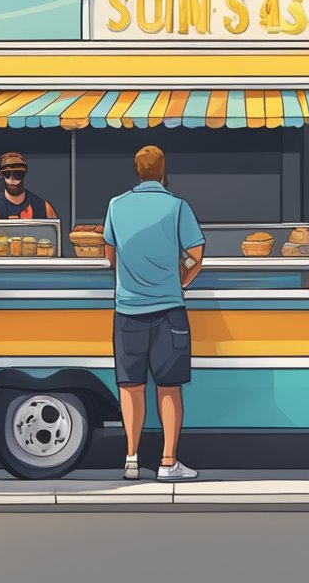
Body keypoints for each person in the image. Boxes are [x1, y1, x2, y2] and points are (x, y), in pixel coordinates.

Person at [103, 145, 205, 482]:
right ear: (163, 171)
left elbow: (110, 252)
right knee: (169, 388)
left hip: (127, 312)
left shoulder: (116, 205)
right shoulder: (177, 207)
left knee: (130, 387)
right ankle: (167, 462)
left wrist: (129, 277)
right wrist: (179, 280)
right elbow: (195, 254)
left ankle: (131, 458)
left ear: (137, 170)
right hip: (169, 312)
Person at [0, 152, 58, 220]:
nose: (12, 179)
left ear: (24, 174)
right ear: (0, 175)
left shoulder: (43, 207)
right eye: (7, 174)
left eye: (17, 174)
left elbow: (54, 235)